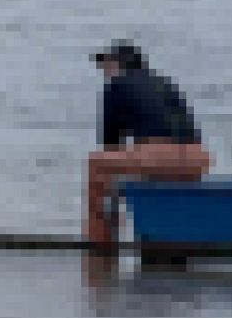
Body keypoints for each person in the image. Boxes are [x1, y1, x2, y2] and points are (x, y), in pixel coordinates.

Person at [83, 39, 211, 245]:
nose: (103, 70)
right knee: (148, 167)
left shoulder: (116, 85)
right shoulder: (165, 82)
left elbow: (111, 145)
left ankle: (100, 241)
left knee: (97, 164)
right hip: (197, 157)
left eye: (106, 64)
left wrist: (113, 198)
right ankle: (163, 238)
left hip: (158, 154)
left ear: (118, 64)